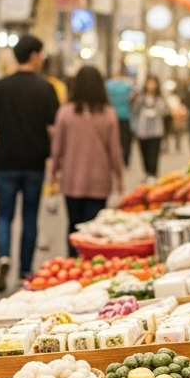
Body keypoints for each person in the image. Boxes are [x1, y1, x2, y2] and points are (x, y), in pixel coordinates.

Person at [0, 36, 60, 292]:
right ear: (34, 55)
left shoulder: (0, 86)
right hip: (34, 161)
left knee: (4, 214)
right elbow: (53, 127)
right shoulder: (46, 88)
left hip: (5, 159)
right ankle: (25, 272)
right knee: (30, 216)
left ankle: (4, 255)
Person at [50, 66, 123, 256]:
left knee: (73, 226)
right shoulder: (108, 114)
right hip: (99, 180)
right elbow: (115, 150)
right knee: (94, 229)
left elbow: (57, 149)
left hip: (72, 179)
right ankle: (91, 264)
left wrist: (53, 175)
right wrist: (120, 178)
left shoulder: (65, 113)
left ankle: (71, 263)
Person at [131, 75, 169, 179]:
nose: (151, 86)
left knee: (154, 154)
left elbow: (165, 111)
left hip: (156, 130)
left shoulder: (160, 98)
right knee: (144, 153)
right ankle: (147, 173)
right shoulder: (140, 98)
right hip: (142, 130)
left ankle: (153, 174)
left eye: (153, 83)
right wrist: (134, 127)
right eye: (149, 83)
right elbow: (135, 112)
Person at [105, 70, 134, 167]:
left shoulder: (108, 85)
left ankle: (113, 160)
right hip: (125, 114)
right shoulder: (127, 85)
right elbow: (133, 97)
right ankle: (125, 158)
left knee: (113, 139)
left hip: (111, 115)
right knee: (125, 139)